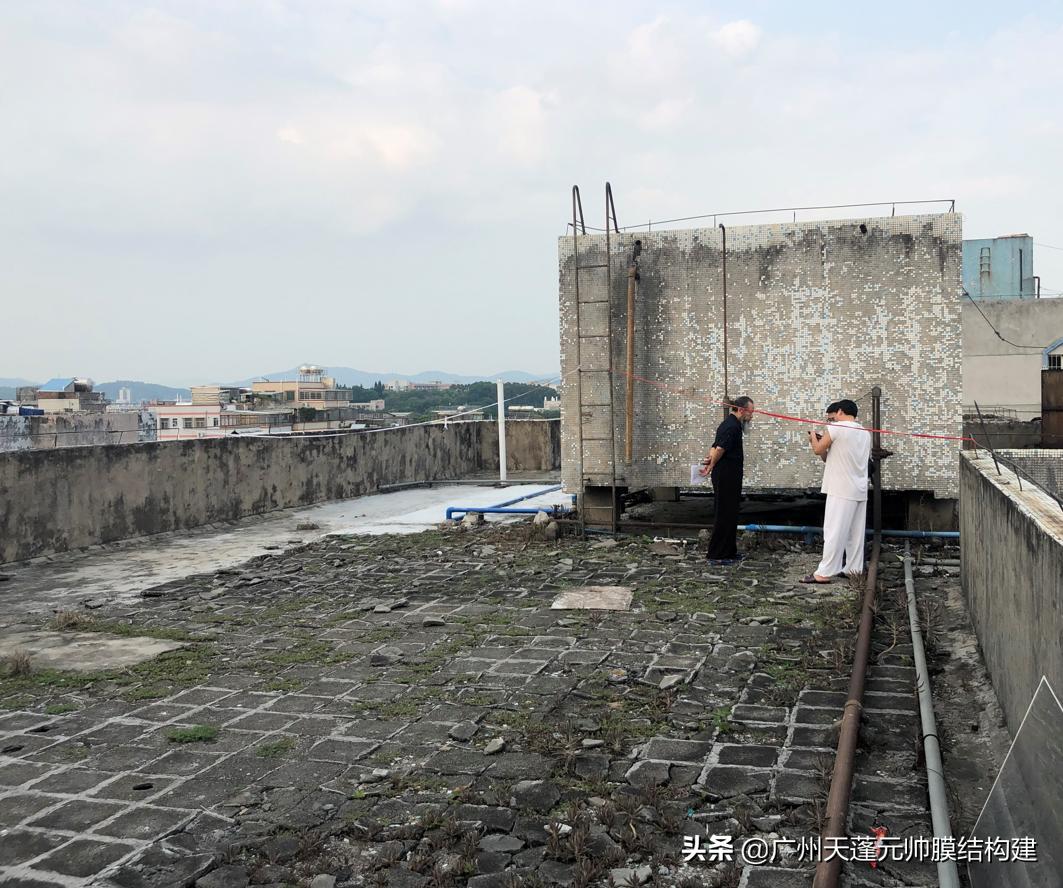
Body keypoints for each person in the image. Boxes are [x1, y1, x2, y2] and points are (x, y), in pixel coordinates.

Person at [801, 398, 871, 583]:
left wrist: (812, 439)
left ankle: (824, 572)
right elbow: (828, 456)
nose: (830, 422)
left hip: (840, 488)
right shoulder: (865, 433)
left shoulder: (837, 428)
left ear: (840, 412)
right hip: (859, 488)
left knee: (834, 531)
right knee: (855, 533)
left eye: (832, 418)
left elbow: (818, 450)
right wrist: (821, 443)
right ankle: (853, 569)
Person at [699, 396, 755, 564]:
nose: (752, 416)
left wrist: (710, 460)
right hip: (726, 475)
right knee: (724, 513)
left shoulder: (732, 425)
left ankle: (729, 551)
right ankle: (717, 554)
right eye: (751, 412)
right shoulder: (731, 426)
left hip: (730, 475)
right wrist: (711, 465)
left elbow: (714, 446)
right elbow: (720, 447)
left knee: (730, 513)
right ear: (742, 410)